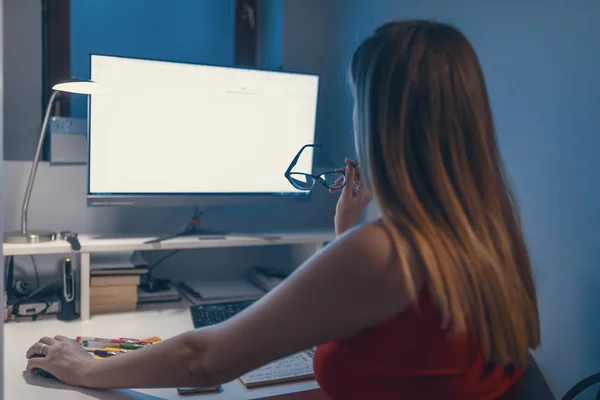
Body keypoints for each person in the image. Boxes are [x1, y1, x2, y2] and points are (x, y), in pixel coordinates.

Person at [25, 20, 540, 399]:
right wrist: (345, 232)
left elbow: (202, 360)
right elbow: (401, 360)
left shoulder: (385, 252)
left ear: (381, 122)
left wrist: (87, 367)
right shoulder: (493, 235)